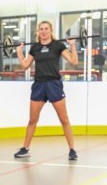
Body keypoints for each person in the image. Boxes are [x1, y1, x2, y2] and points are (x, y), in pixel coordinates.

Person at [13, 21, 79, 160]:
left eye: (46, 29)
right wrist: (19, 53)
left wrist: (72, 45)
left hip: (54, 84)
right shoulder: (35, 48)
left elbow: (74, 61)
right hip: (39, 85)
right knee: (32, 120)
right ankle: (25, 148)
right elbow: (25, 65)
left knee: (64, 119)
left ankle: (72, 150)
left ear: (50, 30)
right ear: (38, 32)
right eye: (41, 29)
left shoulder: (58, 46)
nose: (44, 31)